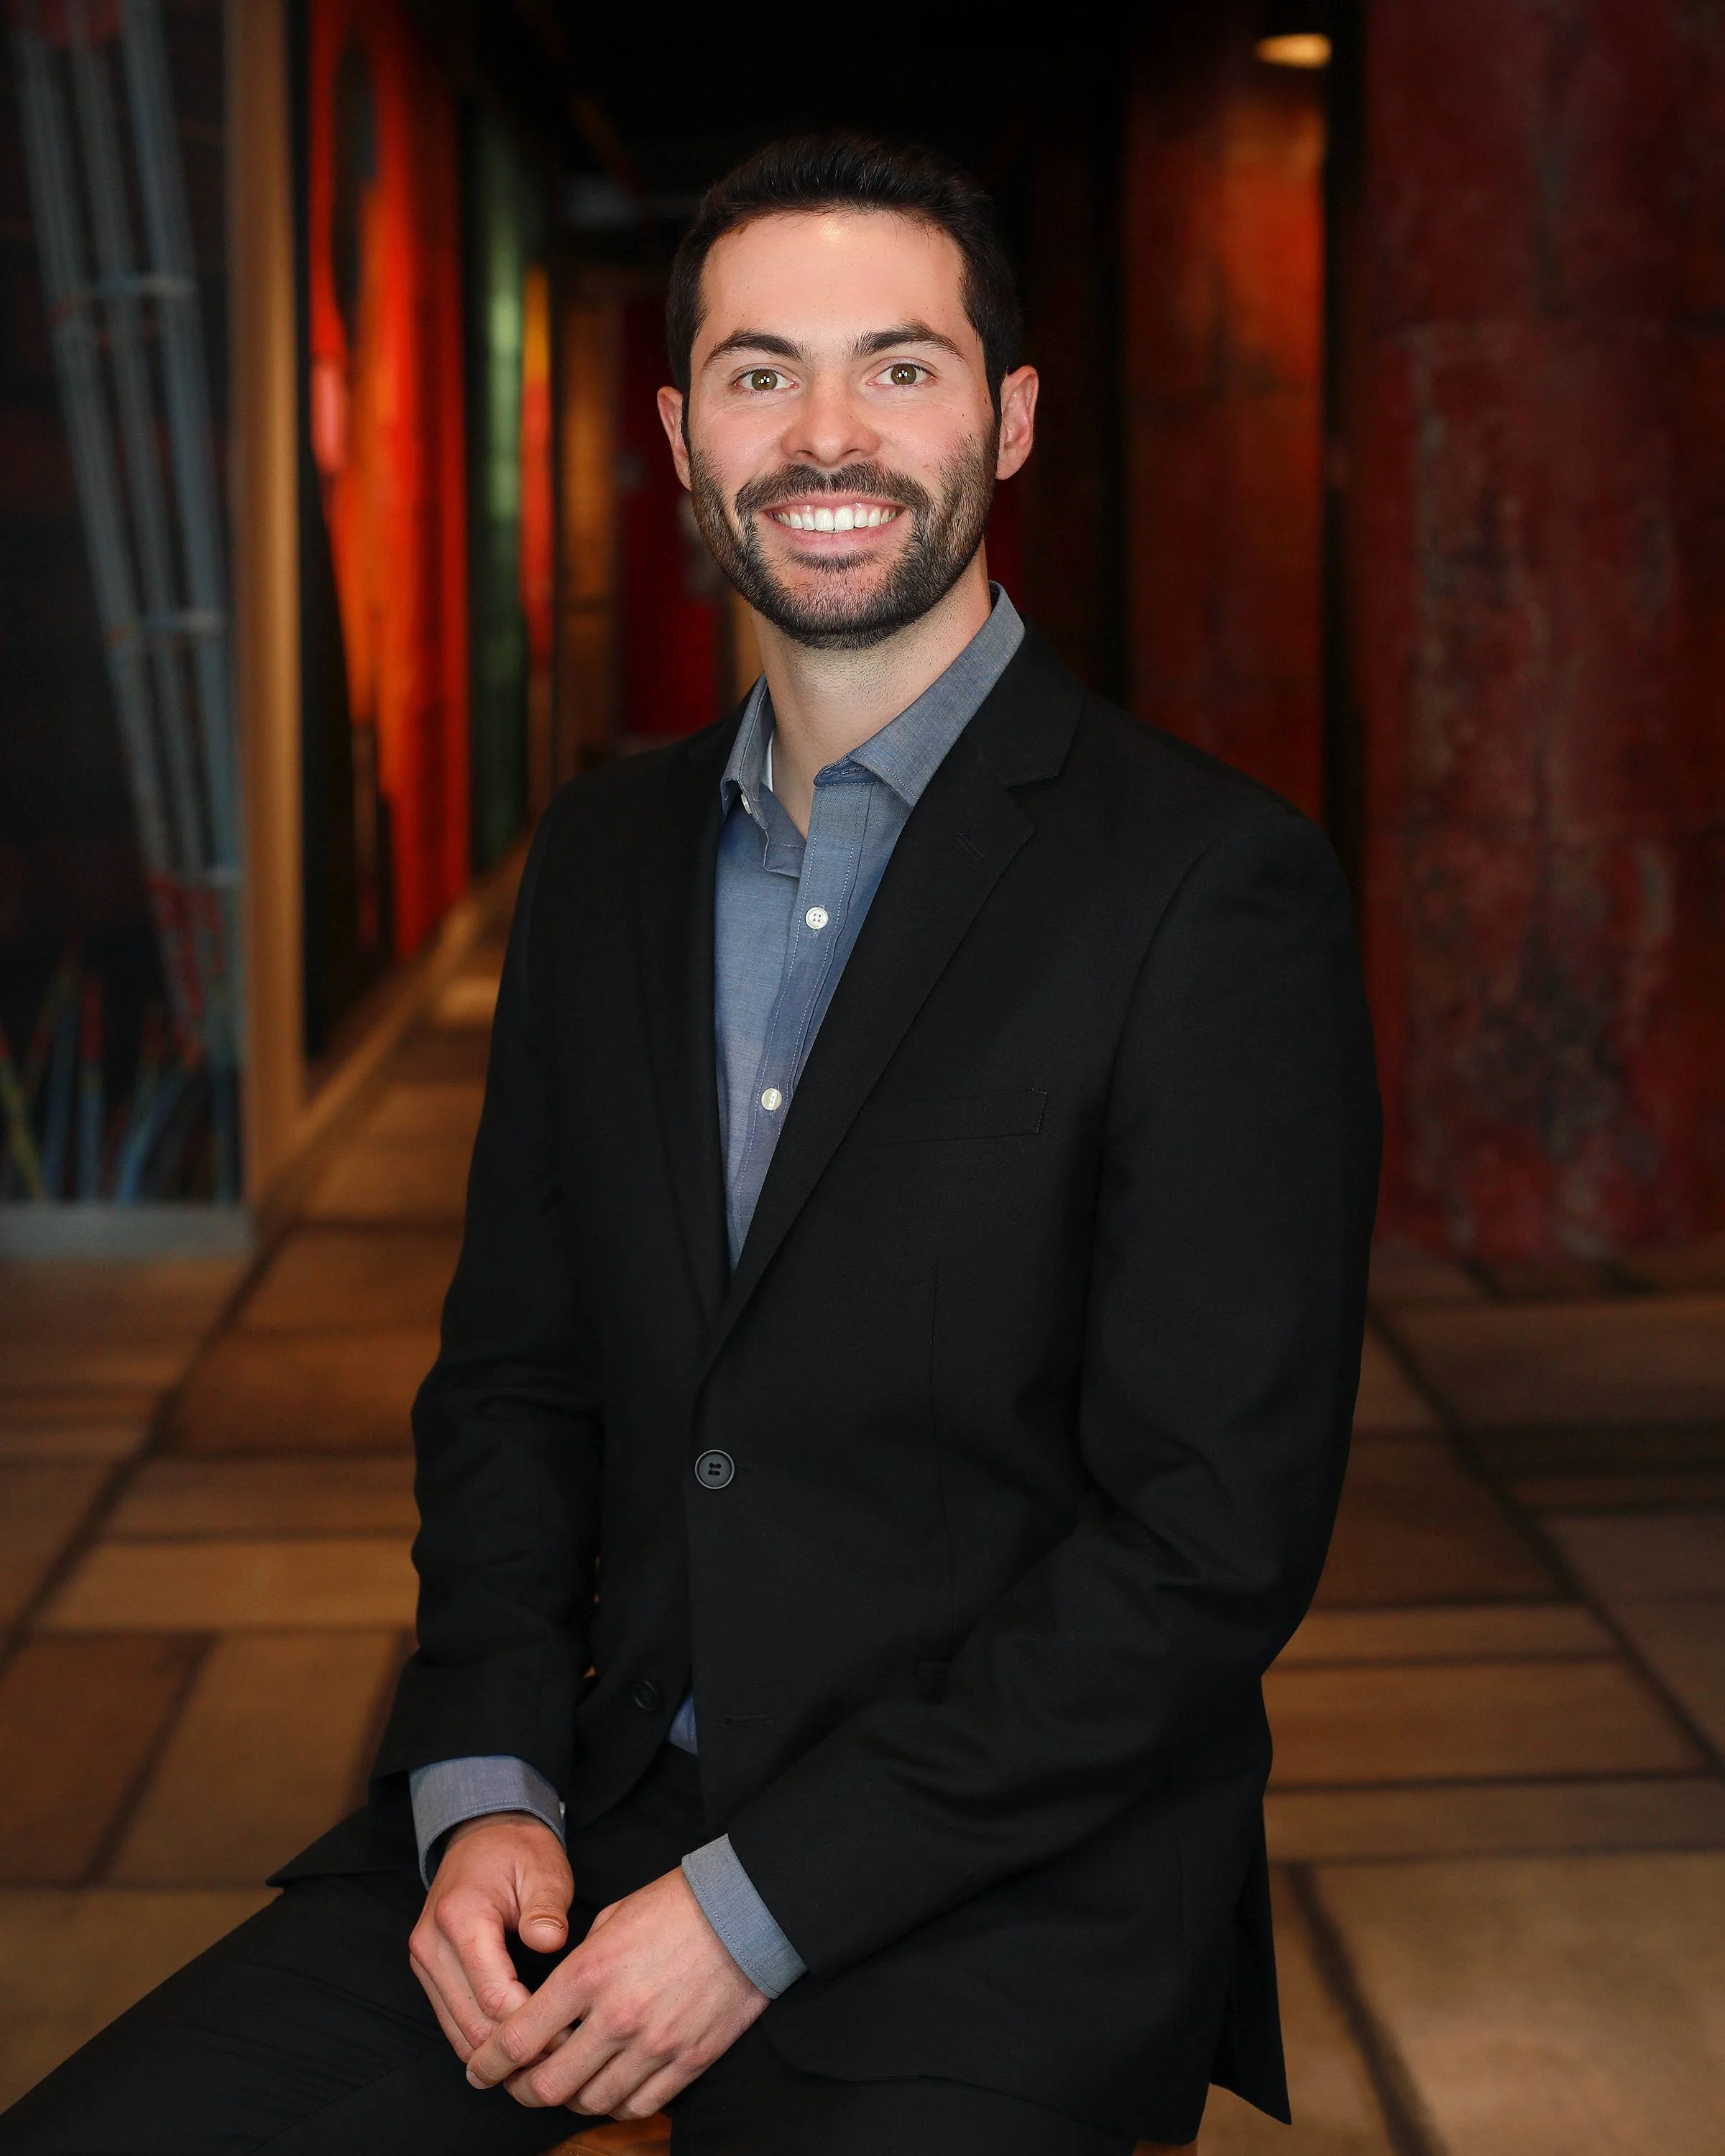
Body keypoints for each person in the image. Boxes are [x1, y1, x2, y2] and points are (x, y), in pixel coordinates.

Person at [0, 132, 1379, 2156]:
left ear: (1005, 417)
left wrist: (752, 1913)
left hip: (1000, 1871)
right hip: (592, 1797)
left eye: (899, 367)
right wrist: (479, 1783)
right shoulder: (604, 857)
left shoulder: (1208, 889)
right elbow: (512, 1382)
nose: (828, 432)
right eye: (761, 371)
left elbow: (1204, 1549)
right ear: (679, 431)